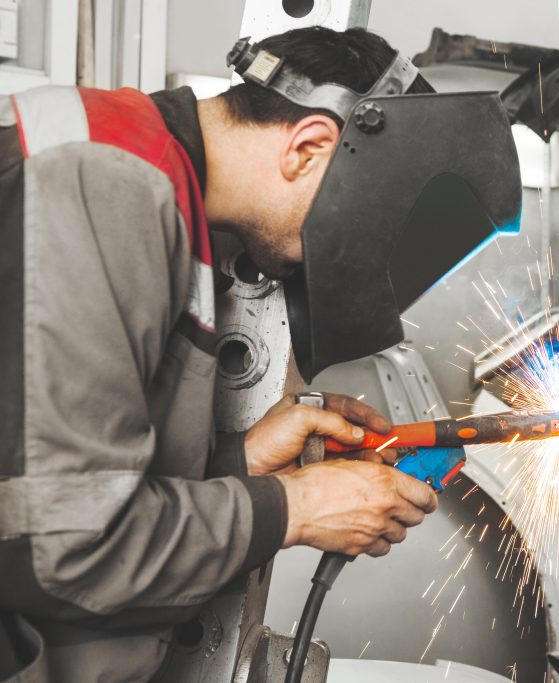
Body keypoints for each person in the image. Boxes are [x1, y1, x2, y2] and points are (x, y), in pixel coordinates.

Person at [0, 27, 441, 683]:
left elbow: (64, 485)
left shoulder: (157, 182)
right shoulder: (107, 187)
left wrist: (243, 460)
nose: (352, 257)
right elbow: (63, 549)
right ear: (309, 148)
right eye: (367, 223)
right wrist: (298, 507)